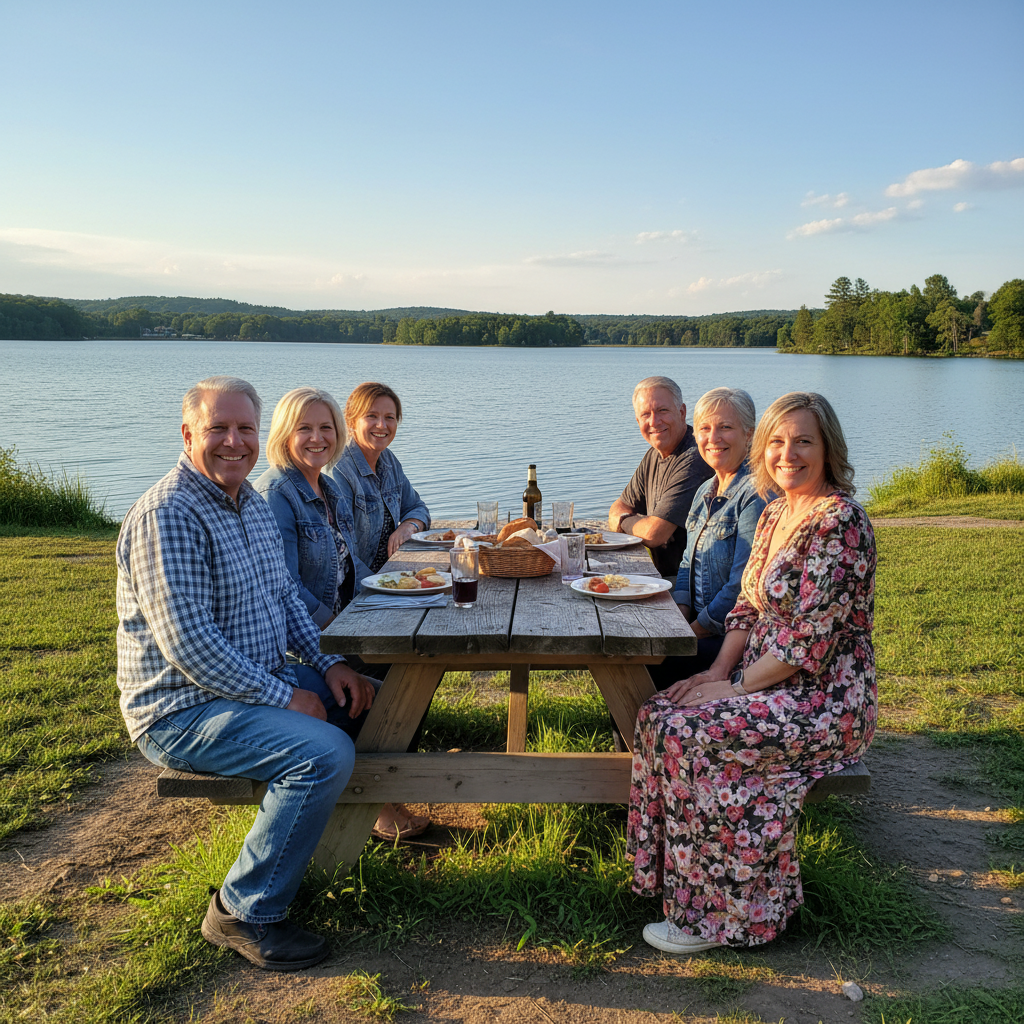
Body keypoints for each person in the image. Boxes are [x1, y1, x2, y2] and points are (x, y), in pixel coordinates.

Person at [116, 376, 376, 971]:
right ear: (188, 434)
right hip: (181, 710)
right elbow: (190, 645)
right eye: (218, 429)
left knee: (368, 697)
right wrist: (286, 697)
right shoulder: (169, 514)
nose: (233, 442)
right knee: (323, 753)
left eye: (244, 429)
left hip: (248, 685)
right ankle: (244, 910)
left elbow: (285, 597)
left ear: (260, 435)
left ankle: (337, 842)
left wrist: (331, 663)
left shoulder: (249, 503)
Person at [628, 391, 876, 954]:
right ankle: (673, 883)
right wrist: (715, 671)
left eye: (804, 441)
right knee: (658, 712)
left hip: (823, 699)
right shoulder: (774, 512)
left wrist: (733, 689)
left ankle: (726, 917)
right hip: (763, 677)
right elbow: (746, 607)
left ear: (827, 448)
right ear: (763, 450)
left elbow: (806, 645)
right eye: (779, 442)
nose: (789, 454)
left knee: (695, 733)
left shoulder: (840, 523)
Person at [254, 386, 429, 842]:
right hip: (308, 639)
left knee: (416, 661)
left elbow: (351, 564)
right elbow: (283, 587)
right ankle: (375, 804)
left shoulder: (326, 488)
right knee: (399, 686)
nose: (317, 438)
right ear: (283, 434)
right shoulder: (277, 494)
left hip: (345, 619)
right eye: (305, 428)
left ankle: (387, 784)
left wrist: (393, 595)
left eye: (324, 428)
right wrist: (342, 627)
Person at [648, 388, 769, 689]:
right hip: (698, 624)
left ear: (749, 433)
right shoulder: (705, 490)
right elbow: (688, 562)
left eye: (725, 427)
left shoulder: (755, 494)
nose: (713, 438)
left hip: (731, 638)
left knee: (646, 660)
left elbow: (742, 585)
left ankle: (640, 732)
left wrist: (693, 630)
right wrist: (680, 614)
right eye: (704, 428)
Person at [609, 376, 714, 579]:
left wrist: (632, 525)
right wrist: (635, 522)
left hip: (688, 584)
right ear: (638, 421)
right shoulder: (654, 455)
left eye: (662, 411)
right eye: (645, 414)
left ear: (682, 412)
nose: (654, 422)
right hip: (661, 577)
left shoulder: (694, 458)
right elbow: (617, 508)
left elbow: (654, 534)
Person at [330, 381, 430, 584]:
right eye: (371, 416)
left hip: (387, 576)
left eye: (389, 418)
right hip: (357, 589)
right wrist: (384, 587)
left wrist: (408, 526)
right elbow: (343, 555)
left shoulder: (389, 461)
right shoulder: (339, 470)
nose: (382, 425)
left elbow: (418, 508)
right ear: (351, 421)